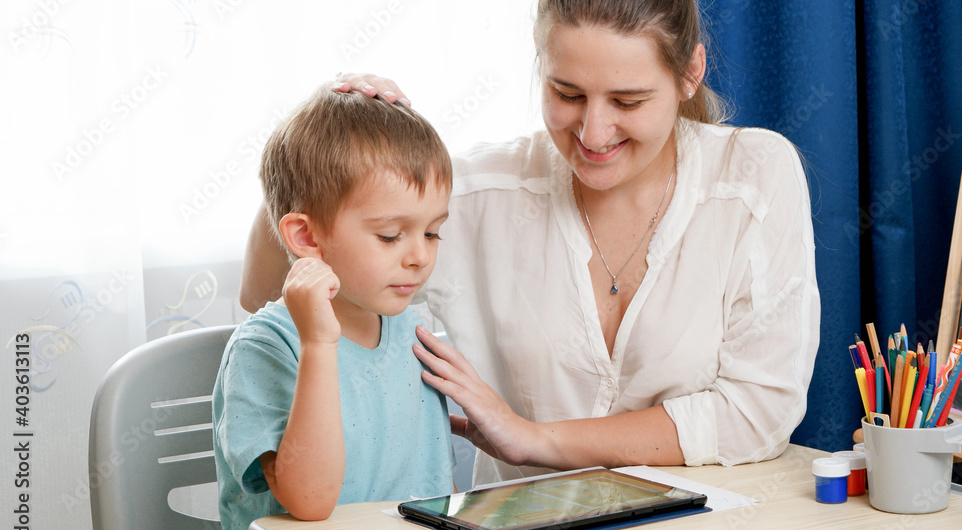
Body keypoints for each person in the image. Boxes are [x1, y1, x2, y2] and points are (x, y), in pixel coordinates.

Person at [240, 0, 821, 487]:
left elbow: (757, 413)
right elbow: (266, 292)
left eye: (627, 101)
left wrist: (533, 439)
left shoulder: (753, 178)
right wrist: (326, 151)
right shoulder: (479, 194)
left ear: (690, 72)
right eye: (567, 93)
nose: (593, 133)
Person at [214, 86, 455, 530]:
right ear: (307, 236)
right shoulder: (264, 347)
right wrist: (319, 345)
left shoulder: (409, 330)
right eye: (390, 236)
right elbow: (310, 501)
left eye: (432, 232)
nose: (420, 256)